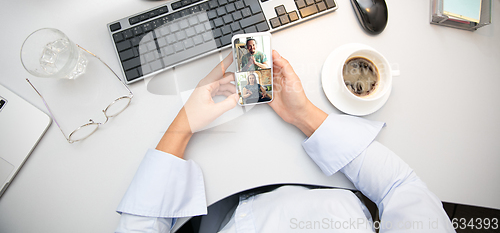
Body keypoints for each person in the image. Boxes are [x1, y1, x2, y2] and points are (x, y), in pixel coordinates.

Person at [115, 51, 455, 233]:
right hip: (327, 192)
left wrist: (183, 123)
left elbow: (141, 225)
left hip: (224, 217)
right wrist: (304, 115)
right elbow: (400, 188)